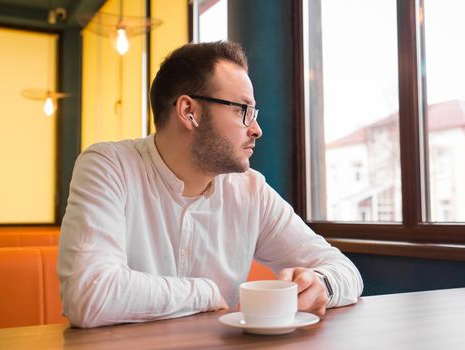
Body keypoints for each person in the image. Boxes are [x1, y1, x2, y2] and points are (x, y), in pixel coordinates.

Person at [58, 41, 363, 328]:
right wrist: (206, 292)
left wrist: (320, 285)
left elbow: (344, 270)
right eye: (242, 110)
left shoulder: (250, 191)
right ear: (189, 112)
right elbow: (90, 294)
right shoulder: (109, 165)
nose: (256, 129)